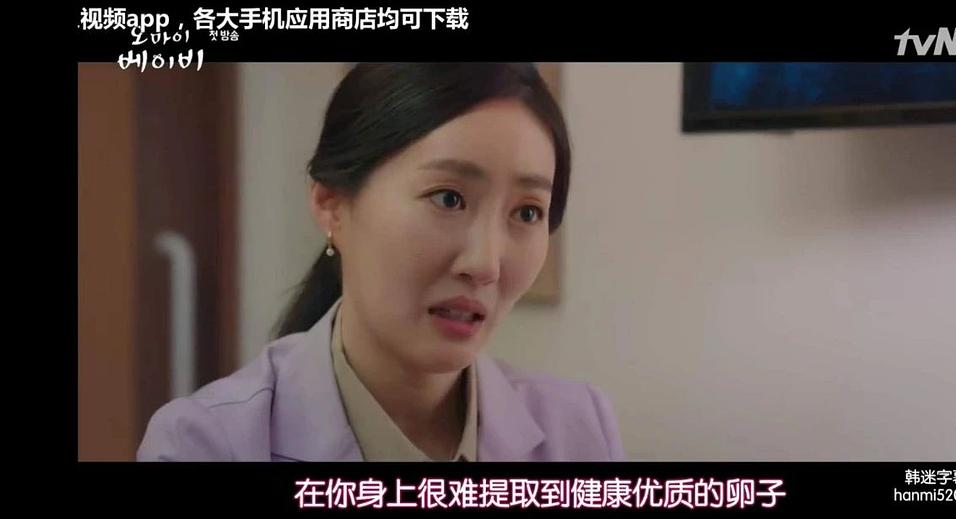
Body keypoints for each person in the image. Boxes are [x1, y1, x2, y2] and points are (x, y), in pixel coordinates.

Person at [137, 63, 625, 461]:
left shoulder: (578, 429)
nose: (485, 264)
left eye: (527, 212)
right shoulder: (205, 444)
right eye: (449, 198)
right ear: (331, 204)